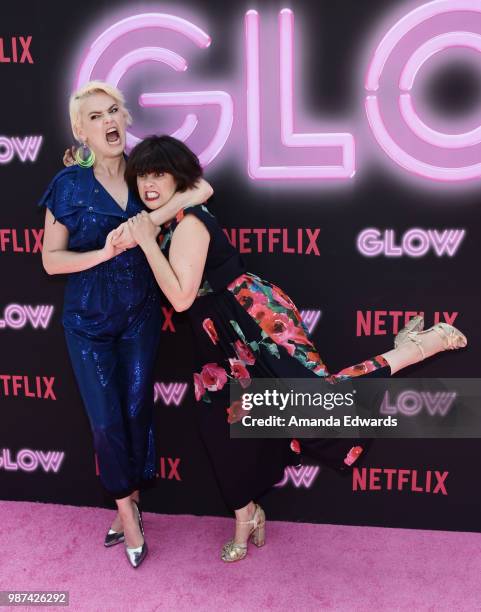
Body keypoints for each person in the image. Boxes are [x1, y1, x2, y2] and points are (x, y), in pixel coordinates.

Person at [123, 134, 468, 563]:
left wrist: (144, 240)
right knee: (220, 435)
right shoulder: (166, 221)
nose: (149, 184)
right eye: (142, 175)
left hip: (252, 322)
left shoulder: (189, 222)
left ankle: (414, 347)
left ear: (178, 177)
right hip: (216, 338)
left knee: (315, 405)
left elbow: (179, 299)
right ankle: (246, 516)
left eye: (159, 174)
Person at [39, 82, 213, 569]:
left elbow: (201, 189)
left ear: (125, 117)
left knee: (137, 411)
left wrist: (148, 222)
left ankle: (127, 498)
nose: (108, 121)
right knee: (105, 421)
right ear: (81, 131)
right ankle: (129, 516)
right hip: (87, 321)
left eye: (113, 110)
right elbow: (51, 261)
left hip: (140, 315)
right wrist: (105, 250)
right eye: (94, 116)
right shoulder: (68, 184)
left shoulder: (147, 171)